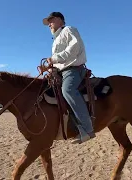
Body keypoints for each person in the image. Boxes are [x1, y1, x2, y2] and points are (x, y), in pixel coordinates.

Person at [42, 12, 96, 144]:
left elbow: (74, 48)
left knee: (68, 91)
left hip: (73, 70)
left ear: (60, 20)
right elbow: (58, 63)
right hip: (61, 72)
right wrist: (49, 68)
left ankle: (88, 129)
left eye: (51, 20)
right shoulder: (55, 41)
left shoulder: (69, 30)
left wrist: (53, 58)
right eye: (48, 22)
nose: (49, 24)